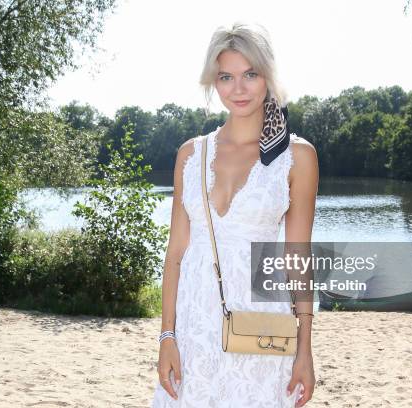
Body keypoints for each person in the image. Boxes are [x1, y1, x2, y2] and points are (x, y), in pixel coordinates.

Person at [151, 21, 319, 407]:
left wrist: (305, 349)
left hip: (260, 322)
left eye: (250, 74)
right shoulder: (191, 154)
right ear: (213, 80)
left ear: (268, 77)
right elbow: (176, 254)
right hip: (194, 326)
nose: (238, 89)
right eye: (226, 76)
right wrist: (167, 336)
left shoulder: (298, 157)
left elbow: (298, 258)